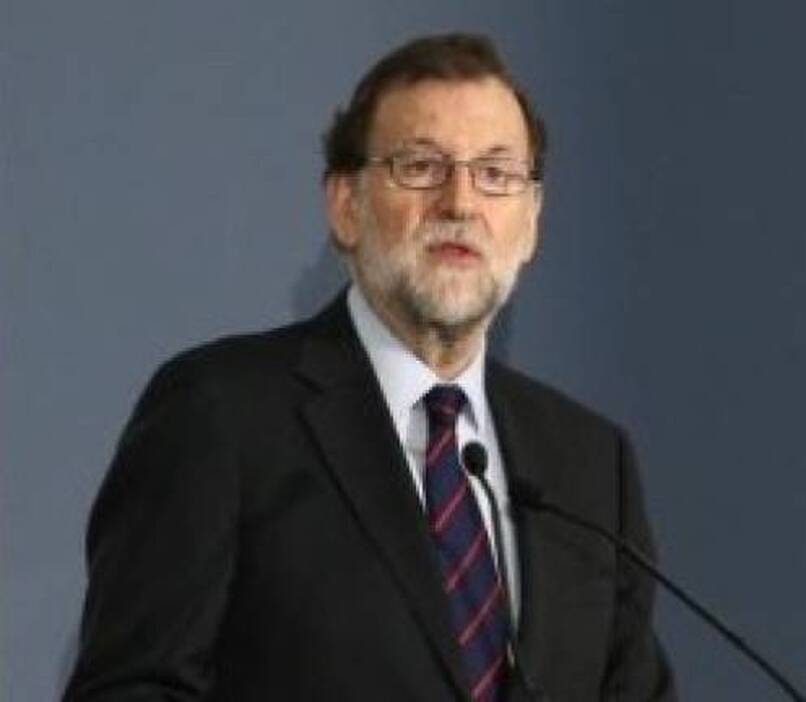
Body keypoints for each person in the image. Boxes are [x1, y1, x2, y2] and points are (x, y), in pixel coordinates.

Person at [64, 32, 675, 701]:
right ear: (345, 205)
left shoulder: (589, 465)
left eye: (495, 174)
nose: (461, 203)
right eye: (421, 166)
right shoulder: (221, 415)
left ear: (530, 221)